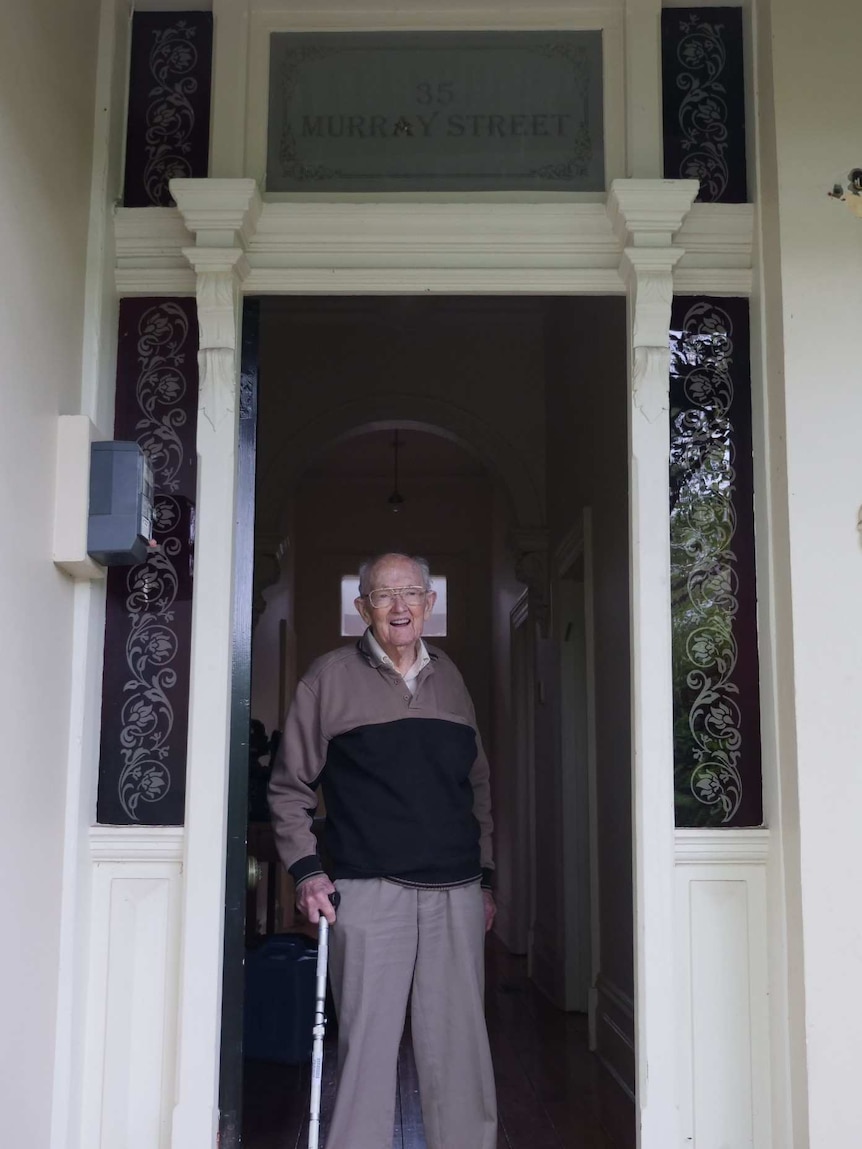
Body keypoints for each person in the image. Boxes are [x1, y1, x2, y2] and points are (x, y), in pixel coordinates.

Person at [268, 552, 497, 1149]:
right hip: (369, 894)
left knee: (460, 1055)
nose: (399, 606)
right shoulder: (327, 678)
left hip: (456, 891)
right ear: (362, 606)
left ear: (429, 603)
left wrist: (487, 879)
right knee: (366, 1051)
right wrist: (308, 872)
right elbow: (290, 787)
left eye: (411, 593)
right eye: (384, 594)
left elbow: (477, 786)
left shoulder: (452, 678)